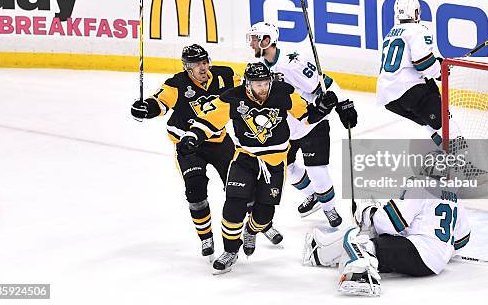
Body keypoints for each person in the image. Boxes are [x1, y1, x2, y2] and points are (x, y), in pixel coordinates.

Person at [179, 62, 338, 274]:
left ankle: (251, 230)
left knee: (264, 215)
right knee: (234, 205)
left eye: (265, 83)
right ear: (247, 84)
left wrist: (322, 107)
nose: (262, 88)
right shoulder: (233, 98)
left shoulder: (283, 92)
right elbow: (209, 121)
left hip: (274, 164)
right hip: (245, 159)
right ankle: (230, 251)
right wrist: (193, 136)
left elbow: (306, 116)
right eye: (257, 84)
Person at [130, 45, 282, 260]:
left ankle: (260, 224)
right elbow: (159, 103)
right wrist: (146, 108)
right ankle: (206, 237)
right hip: (188, 145)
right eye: (195, 64)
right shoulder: (177, 85)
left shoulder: (224, 76)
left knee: (243, 186)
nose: (202, 67)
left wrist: (272, 82)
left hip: (219, 141)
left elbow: (248, 86)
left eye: (204, 62)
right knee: (195, 189)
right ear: (186, 67)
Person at [247, 22, 358, 227]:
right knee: (285, 165)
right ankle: (313, 195)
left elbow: (325, 83)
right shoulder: (260, 68)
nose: (251, 43)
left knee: (316, 169)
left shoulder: (293, 63)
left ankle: (329, 208)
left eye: (255, 39)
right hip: (286, 126)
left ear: (267, 40)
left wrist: (344, 104)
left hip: (312, 122)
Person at [303, 187, 471, 296]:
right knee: (374, 245)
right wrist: (443, 250)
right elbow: (462, 240)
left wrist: (368, 213)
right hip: (435, 262)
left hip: (418, 252)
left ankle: (356, 272)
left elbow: (390, 223)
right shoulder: (456, 198)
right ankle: (320, 248)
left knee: (358, 239)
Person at [377, 0, 444, 147]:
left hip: (388, 97)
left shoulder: (391, 33)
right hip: (408, 89)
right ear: (415, 13)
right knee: (446, 121)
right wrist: (440, 72)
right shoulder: (418, 30)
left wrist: (435, 65)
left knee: (431, 123)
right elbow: (422, 62)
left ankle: (440, 145)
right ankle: (462, 162)